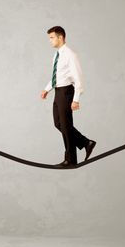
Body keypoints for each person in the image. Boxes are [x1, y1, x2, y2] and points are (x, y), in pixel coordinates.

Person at [40, 26, 96, 168]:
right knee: (58, 123)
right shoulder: (57, 54)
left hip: (66, 93)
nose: (50, 41)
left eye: (52, 37)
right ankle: (85, 143)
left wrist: (76, 99)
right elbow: (58, 76)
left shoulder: (70, 54)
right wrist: (47, 89)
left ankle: (70, 159)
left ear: (60, 37)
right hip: (58, 92)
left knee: (65, 126)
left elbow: (78, 78)